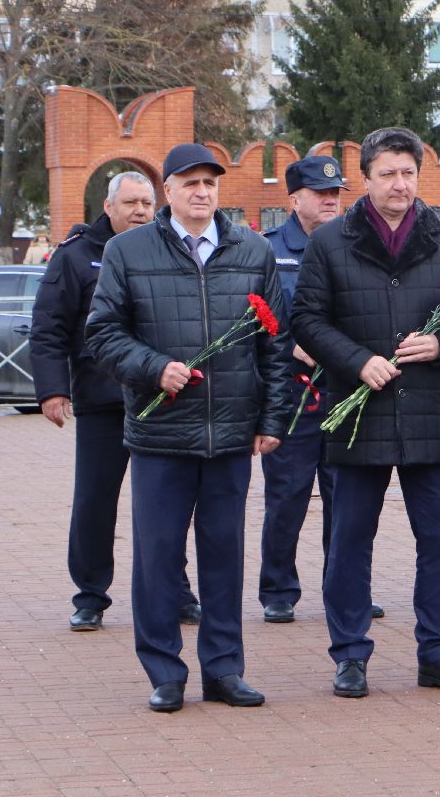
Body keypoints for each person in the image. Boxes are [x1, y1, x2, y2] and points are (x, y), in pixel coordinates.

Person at [291, 127, 440, 699]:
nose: (399, 184)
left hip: (433, 409)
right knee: (350, 540)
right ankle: (350, 654)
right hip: (360, 414)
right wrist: (357, 362)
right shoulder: (330, 242)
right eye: (388, 174)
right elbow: (306, 319)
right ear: (366, 178)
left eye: (408, 173)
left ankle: (438, 652)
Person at [86, 143, 290, 712]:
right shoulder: (128, 251)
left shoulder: (252, 250)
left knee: (224, 555)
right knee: (157, 556)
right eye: (191, 182)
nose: (202, 192)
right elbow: (102, 333)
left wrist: (273, 419)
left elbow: (274, 345)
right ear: (167, 191)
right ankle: (164, 672)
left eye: (210, 183)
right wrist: (154, 369)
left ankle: (224, 669)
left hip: (230, 435)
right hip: (160, 438)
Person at [32, 172, 200, 632]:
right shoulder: (77, 256)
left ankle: (177, 592)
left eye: (147, 202)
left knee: (169, 502)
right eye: (130, 202)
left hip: (162, 398)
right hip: (103, 401)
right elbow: (48, 327)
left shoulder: (171, 248)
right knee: (94, 502)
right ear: (108, 206)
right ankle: (90, 595)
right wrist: (51, 389)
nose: (141, 211)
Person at [258, 156, 385, 624]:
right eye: (320, 193)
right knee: (288, 495)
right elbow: (256, 318)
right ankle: (278, 589)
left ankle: (347, 586)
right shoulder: (269, 251)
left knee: (348, 498)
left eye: (336, 193)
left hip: (348, 392)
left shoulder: (357, 244)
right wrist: (298, 347)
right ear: (294, 200)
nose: (331, 200)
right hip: (296, 395)